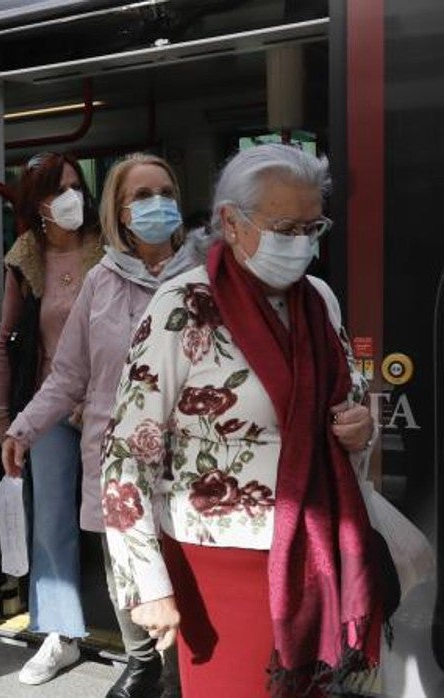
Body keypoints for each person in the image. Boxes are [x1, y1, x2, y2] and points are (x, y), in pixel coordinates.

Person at [101, 144, 378, 696]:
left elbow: (351, 390)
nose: (301, 243)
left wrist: (359, 426)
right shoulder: (183, 305)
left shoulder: (318, 299)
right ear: (230, 221)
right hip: (218, 564)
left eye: (312, 226)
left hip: (316, 549)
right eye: (285, 227)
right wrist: (146, 585)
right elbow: (127, 453)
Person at [2, 153, 202, 698]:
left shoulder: (207, 277)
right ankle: (140, 663)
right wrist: (21, 428)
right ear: (117, 210)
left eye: (165, 191)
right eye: (140, 196)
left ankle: (183, 674)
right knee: (127, 575)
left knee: (189, 582)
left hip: (195, 469)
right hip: (118, 467)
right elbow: (67, 374)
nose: (156, 204)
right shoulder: (102, 281)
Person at [0, 151, 103, 685]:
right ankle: (61, 634)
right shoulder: (25, 257)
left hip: (112, 406)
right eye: (59, 189)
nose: (73, 197)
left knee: (125, 518)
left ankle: (146, 633)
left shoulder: (111, 249)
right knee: (53, 519)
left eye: (77, 186)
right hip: (50, 406)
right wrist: (4, 415)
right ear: (36, 203)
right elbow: (6, 342)